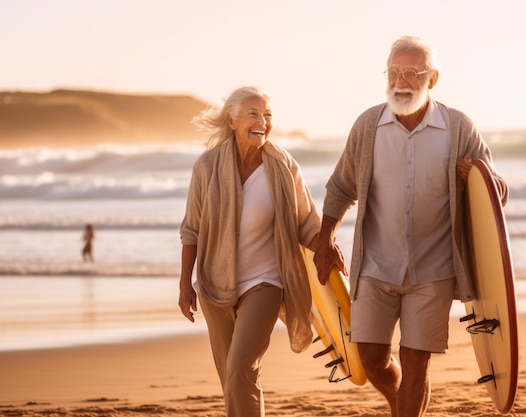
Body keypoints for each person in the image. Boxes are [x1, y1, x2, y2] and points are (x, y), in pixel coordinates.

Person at [313, 36, 508, 417]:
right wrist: (325, 239)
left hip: (433, 269)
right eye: (393, 72)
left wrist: (477, 175)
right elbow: (340, 186)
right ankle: (400, 402)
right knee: (370, 356)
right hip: (375, 265)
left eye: (412, 73)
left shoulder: (457, 127)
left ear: (432, 79)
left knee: (416, 359)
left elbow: (496, 193)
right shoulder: (369, 125)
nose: (400, 81)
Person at [178, 86, 320, 417]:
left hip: (265, 281)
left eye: (268, 115)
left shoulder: (283, 166)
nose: (262, 122)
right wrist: (186, 283)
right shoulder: (207, 166)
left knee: (241, 367)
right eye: (253, 114)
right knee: (232, 376)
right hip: (215, 283)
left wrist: (326, 249)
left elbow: (306, 222)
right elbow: (191, 229)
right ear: (232, 120)